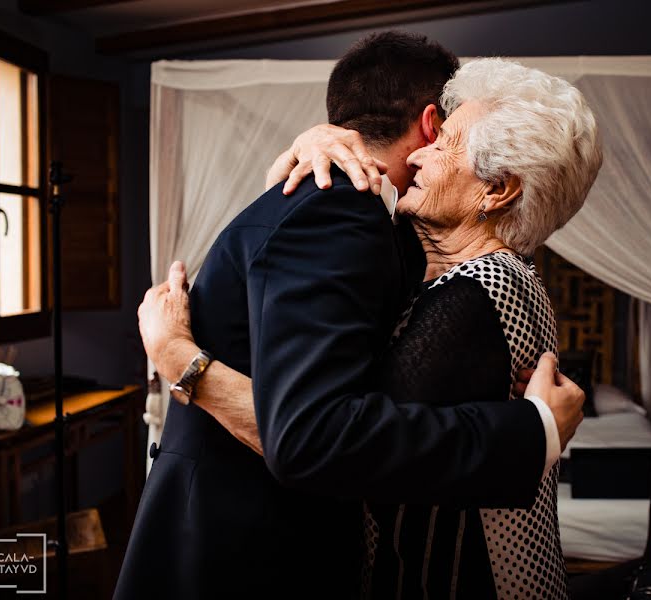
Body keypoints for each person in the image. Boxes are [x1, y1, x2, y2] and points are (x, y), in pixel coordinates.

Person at [115, 32, 586, 599]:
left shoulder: (468, 272)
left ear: (497, 189)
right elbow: (320, 430)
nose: (421, 154)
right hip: (239, 554)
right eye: (442, 135)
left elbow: (325, 434)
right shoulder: (347, 212)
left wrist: (182, 362)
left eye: (449, 143)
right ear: (429, 119)